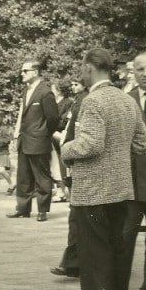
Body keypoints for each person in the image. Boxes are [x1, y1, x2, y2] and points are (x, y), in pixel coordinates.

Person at [61, 48, 146, 290]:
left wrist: (64, 147)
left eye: (82, 68)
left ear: (89, 67)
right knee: (116, 250)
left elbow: (90, 144)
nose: (81, 73)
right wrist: (118, 156)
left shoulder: (93, 101)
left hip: (93, 191)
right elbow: (142, 141)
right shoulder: (127, 100)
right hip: (121, 189)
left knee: (94, 252)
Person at [122, 52, 146, 290]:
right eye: (140, 69)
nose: (145, 73)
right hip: (129, 187)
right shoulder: (125, 101)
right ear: (133, 72)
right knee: (123, 242)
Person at [7, 60, 59, 222]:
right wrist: (17, 135)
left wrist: (43, 134)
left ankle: (42, 210)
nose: (21, 74)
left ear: (35, 72)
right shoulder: (26, 91)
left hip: (39, 141)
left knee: (41, 177)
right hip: (24, 141)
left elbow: (53, 118)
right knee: (23, 177)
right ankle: (23, 209)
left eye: (25, 71)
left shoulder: (45, 92)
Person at [49, 77, 87, 278]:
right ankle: (73, 262)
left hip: (81, 163)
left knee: (78, 216)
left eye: (76, 83)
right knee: (76, 216)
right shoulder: (79, 100)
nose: (74, 87)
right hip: (75, 162)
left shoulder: (85, 100)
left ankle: (75, 263)